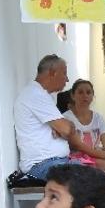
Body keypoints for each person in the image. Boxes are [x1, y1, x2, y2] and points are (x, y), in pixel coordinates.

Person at [62, 78, 105, 198]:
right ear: (73, 96)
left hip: (94, 157)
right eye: (80, 92)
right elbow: (77, 146)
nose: (85, 96)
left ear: (93, 96)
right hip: (76, 160)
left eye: (89, 92)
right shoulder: (66, 118)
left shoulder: (98, 118)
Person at [14, 54, 73, 182]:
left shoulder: (44, 95)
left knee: (102, 175)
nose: (67, 79)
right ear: (53, 73)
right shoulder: (34, 94)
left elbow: (66, 129)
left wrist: (64, 127)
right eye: (64, 73)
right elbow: (67, 130)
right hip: (42, 166)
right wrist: (64, 127)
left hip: (54, 163)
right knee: (95, 178)